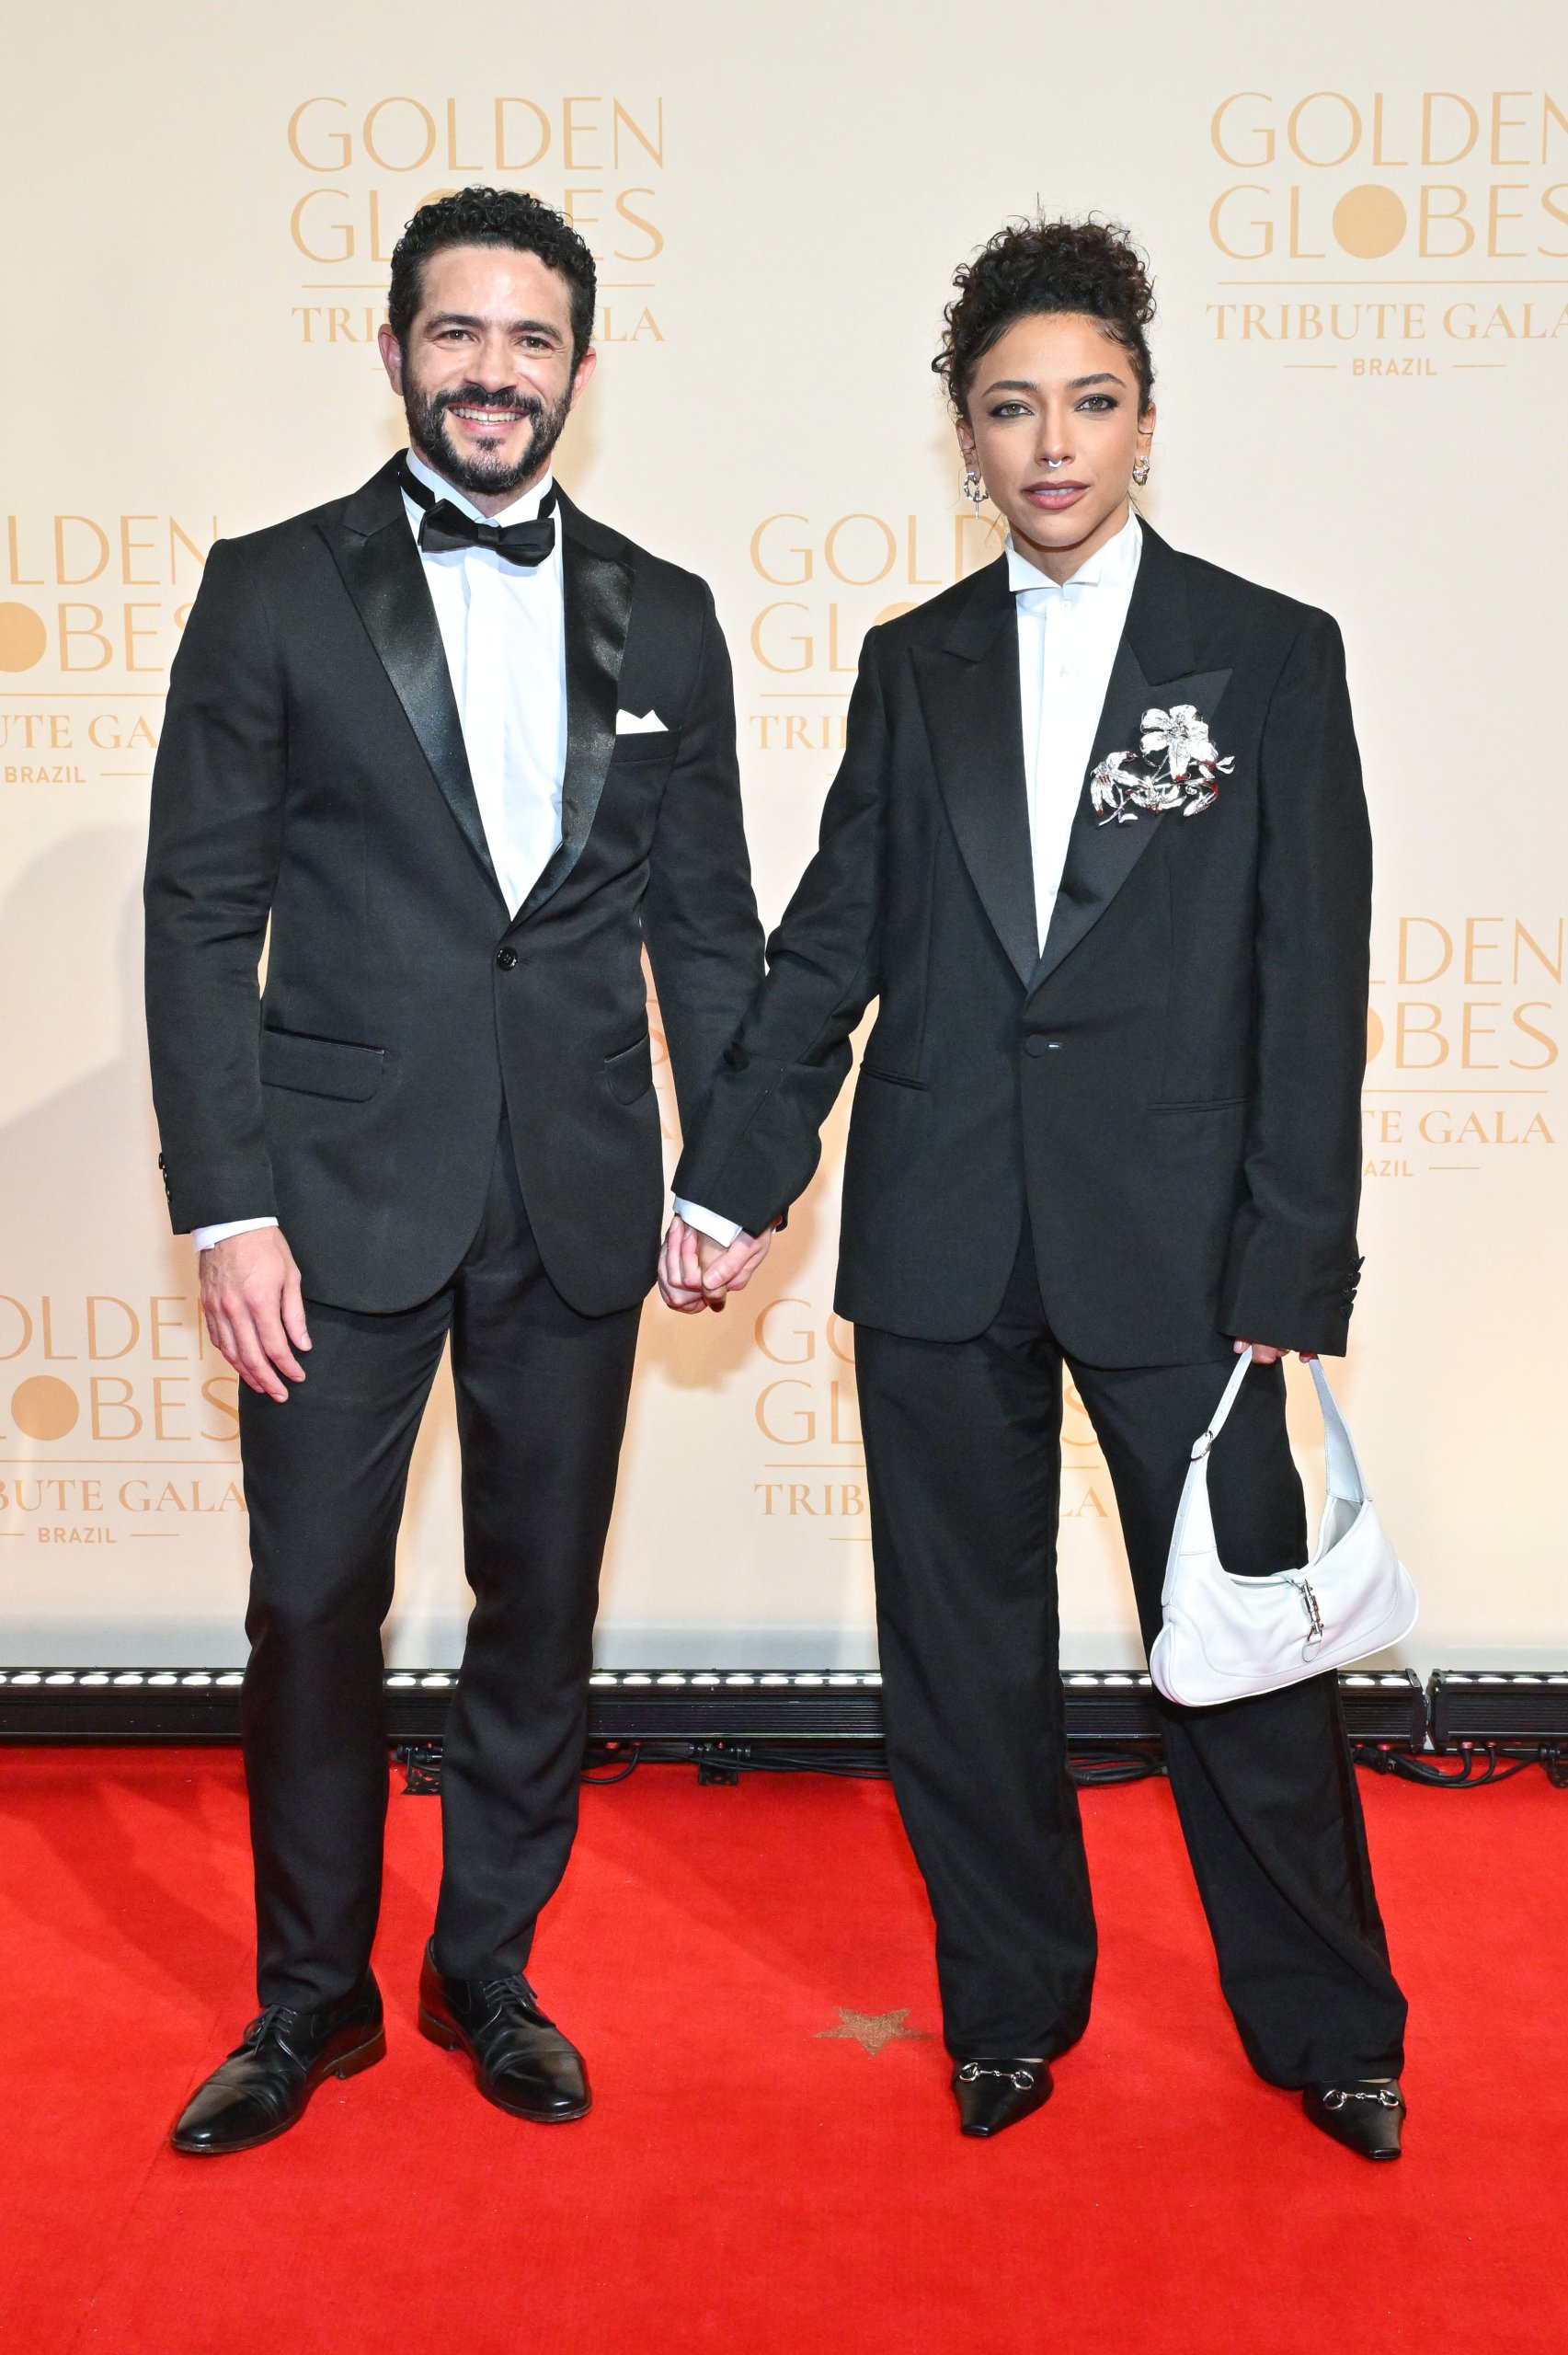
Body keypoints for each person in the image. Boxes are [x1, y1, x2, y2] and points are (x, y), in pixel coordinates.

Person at [662, 218, 1407, 2158]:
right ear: (963, 437)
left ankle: (1329, 2021)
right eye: (1010, 408)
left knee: (1245, 1652)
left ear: (1145, 420)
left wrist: (1292, 1255)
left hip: (1186, 1250)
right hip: (936, 1234)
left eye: (1087, 401)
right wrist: (733, 1179)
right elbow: (829, 944)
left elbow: (1308, 979)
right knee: (959, 1655)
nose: (1051, 441)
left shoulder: (1265, 653)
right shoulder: (913, 670)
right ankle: (1008, 2001)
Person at [144, 186, 763, 2154]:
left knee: (535, 1604)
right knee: (313, 1600)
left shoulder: (664, 611)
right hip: (327, 1205)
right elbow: (194, 910)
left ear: (581, 364)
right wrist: (227, 1205)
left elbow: (712, 927)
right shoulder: (270, 585)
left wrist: (733, 1166)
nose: (493, 371)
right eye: (458, 333)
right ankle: (309, 1996)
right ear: (394, 344)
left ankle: (484, 1962)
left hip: (576, 1185)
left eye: (531, 339)